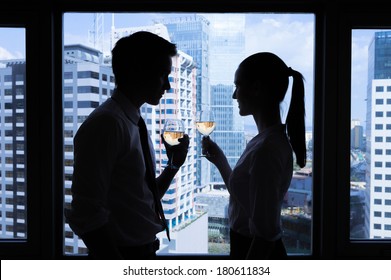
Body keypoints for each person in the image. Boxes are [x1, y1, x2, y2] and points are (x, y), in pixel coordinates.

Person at [65, 31, 189, 259]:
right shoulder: (107, 124)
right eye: (163, 75)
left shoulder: (133, 121)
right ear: (139, 71)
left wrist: (173, 166)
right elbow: (86, 212)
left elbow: (142, 199)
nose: (168, 86)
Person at [202, 52, 306, 259]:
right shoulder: (265, 141)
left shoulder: (266, 148)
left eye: (237, 86)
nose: (234, 95)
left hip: (252, 250)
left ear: (256, 88)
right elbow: (247, 201)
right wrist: (221, 161)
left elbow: (265, 235)